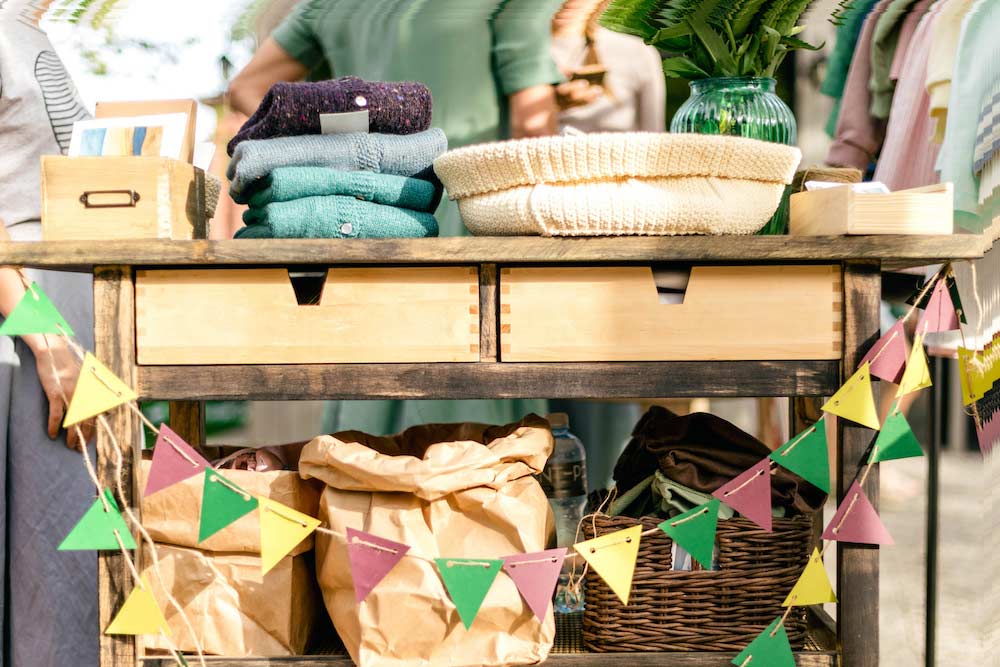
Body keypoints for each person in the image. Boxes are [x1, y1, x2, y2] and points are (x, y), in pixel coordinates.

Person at [227, 0, 565, 435]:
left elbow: (246, 86)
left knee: (364, 414)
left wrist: (332, 153)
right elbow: (533, 124)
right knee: (477, 434)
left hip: (364, 225)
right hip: (469, 230)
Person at [0, 3, 99, 666]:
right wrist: (46, 339)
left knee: (64, 570)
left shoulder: (36, 32)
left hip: (66, 330)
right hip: (23, 340)